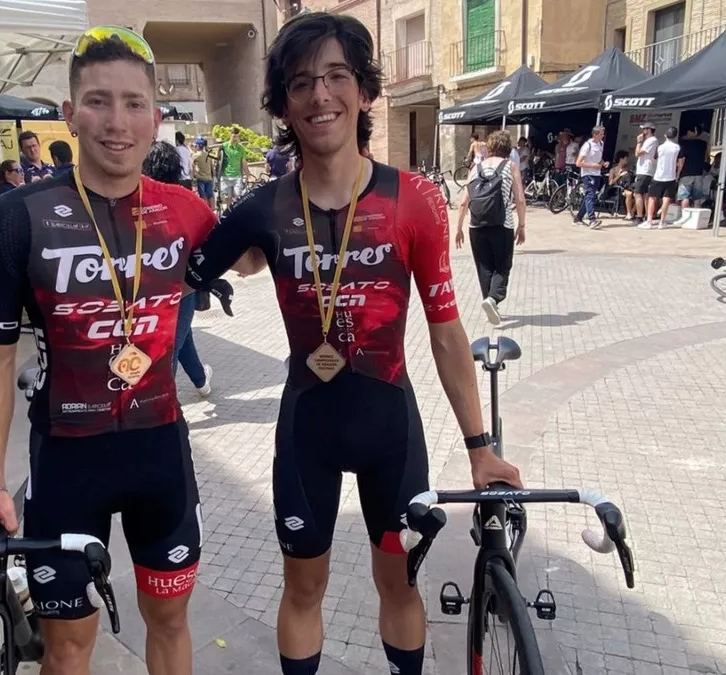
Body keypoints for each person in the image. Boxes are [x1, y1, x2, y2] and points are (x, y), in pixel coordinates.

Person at [184, 13, 522, 675]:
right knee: (302, 588)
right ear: (283, 105)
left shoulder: (413, 199)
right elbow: (181, 267)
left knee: (399, 585)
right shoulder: (263, 209)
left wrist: (479, 448)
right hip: (305, 430)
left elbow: (446, 330)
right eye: (301, 82)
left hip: (389, 429)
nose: (320, 95)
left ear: (365, 92)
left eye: (337, 76)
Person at [0, 26, 219, 675]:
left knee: (170, 621)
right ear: (69, 114)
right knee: (69, 645)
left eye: (134, 103)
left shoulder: (187, 211)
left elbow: (258, 253)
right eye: (98, 101)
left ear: (156, 118)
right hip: (66, 463)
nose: (117, 121)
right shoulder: (18, 216)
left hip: (160, 455)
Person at [142, 140, 213, 395]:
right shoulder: (184, 200)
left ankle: (196, 384)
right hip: (181, 289)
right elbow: (208, 241)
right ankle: (185, 390)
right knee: (175, 342)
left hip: (148, 292)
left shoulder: (136, 201)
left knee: (176, 340)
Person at [455, 130, 526, 327]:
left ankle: (490, 305)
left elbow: (463, 202)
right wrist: (521, 225)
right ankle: (493, 299)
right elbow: (520, 199)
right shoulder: (510, 166)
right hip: (502, 224)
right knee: (502, 265)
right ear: (507, 148)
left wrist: (459, 228)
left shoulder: (475, 168)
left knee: (484, 266)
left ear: (490, 147)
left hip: (476, 225)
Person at [641, 126, 683, 230]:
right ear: (675, 136)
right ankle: (662, 222)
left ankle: (649, 221)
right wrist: (677, 175)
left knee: (652, 198)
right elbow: (680, 163)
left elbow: (655, 157)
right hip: (671, 177)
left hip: (658, 176)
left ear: (665, 135)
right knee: (666, 200)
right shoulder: (677, 148)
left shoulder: (660, 147)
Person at [573, 126, 608, 228]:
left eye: (603, 134)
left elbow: (598, 159)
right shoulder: (587, 145)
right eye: (601, 134)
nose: (602, 136)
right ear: (595, 134)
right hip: (588, 174)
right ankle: (592, 219)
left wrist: (603, 163)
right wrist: (593, 166)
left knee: (589, 196)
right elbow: (578, 163)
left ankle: (578, 218)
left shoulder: (601, 144)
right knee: (590, 195)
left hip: (597, 174)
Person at [627, 122, 658, 224]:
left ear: (649, 130)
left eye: (644, 129)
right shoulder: (651, 140)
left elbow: (638, 153)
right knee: (645, 194)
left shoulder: (651, 140)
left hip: (645, 170)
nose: (643, 131)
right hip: (646, 170)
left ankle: (639, 216)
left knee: (637, 193)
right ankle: (646, 217)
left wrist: (639, 142)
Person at [677, 126, 709, 209]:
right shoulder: (703, 144)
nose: (687, 133)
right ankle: (697, 213)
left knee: (684, 196)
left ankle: (685, 214)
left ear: (693, 132)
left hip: (686, 173)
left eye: (689, 132)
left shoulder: (684, 144)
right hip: (698, 173)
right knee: (697, 197)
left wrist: (678, 174)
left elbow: (682, 160)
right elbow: (706, 158)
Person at [219, 126, 249, 203]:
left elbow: (244, 162)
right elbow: (218, 161)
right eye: (234, 136)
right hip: (225, 177)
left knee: (238, 198)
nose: (236, 139)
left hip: (237, 177)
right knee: (227, 199)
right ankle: (229, 210)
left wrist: (247, 174)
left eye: (237, 137)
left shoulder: (241, 148)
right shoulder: (223, 146)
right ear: (230, 135)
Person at [192, 137, 215, 209]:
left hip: (200, 178)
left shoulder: (195, 155)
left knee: (203, 196)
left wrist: (193, 176)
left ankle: (206, 210)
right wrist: (213, 176)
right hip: (209, 178)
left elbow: (192, 167)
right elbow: (212, 167)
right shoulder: (208, 155)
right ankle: (212, 210)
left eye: (195, 146)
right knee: (210, 195)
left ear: (198, 146)